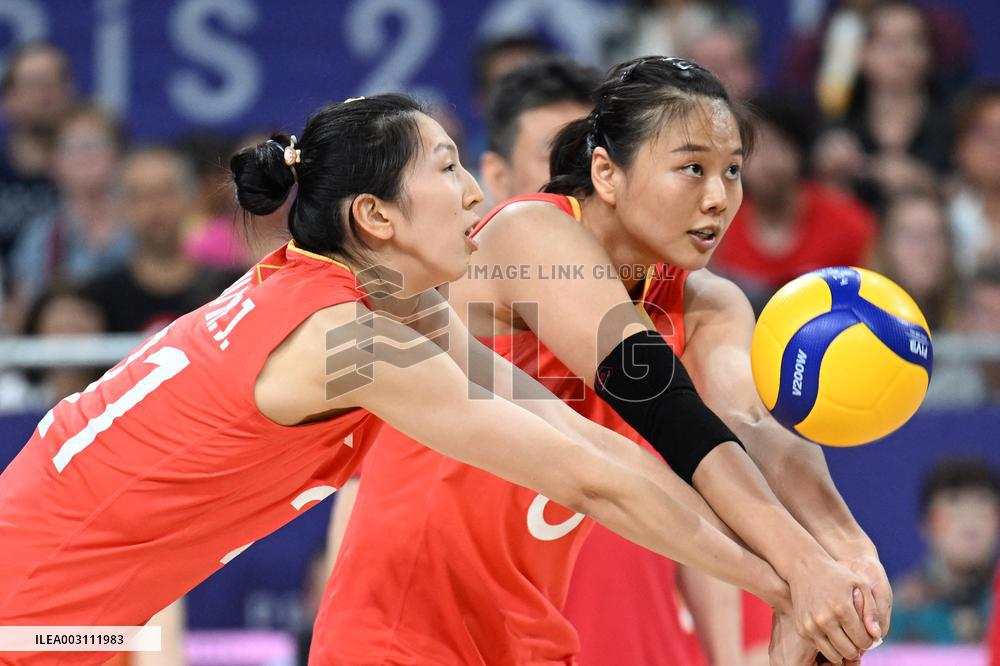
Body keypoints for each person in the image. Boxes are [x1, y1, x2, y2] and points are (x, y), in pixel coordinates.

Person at [0, 94, 794, 665]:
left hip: (71, 617)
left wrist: (794, 562)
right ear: (376, 218)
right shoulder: (353, 343)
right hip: (32, 620)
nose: (477, 195)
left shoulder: (370, 297)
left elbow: (571, 432)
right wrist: (786, 584)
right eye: (449, 167)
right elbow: (589, 480)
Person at [312, 59, 887, 666]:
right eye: (692, 169)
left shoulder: (710, 301)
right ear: (607, 174)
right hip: (404, 631)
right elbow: (669, 409)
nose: (718, 198)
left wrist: (850, 555)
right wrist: (799, 578)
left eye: (733, 170)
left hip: (531, 633)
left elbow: (753, 430)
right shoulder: (529, 231)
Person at [709, 94, 877, 314]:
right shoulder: (717, 227)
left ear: (799, 151)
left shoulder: (851, 223)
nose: (766, 162)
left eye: (777, 145)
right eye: (752, 150)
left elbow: (871, 303)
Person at [83, 146, 234, 333]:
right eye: (139, 196)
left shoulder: (228, 292)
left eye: (166, 192)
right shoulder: (99, 301)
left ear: (192, 199)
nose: (155, 208)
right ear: (120, 208)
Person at [894, 458, 999, 643]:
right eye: (954, 505)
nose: (970, 522)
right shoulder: (898, 609)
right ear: (926, 524)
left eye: (982, 507)